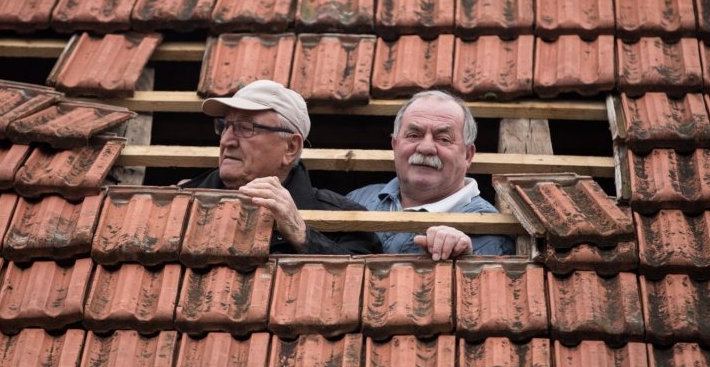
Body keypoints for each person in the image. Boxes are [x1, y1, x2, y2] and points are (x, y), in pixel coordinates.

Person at [183, 80, 382, 255]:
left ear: (291, 148)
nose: (226, 140)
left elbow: (360, 287)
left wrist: (304, 236)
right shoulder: (180, 201)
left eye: (245, 127)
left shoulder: (346, 222)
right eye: (224, 126)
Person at [347, 90, 515, 260]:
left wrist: (466, 260)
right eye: (414, 135)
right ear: (395, 145)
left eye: (443, 139)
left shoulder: (488, 229)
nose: (426, 148)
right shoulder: (359, 198)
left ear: (468, 155)